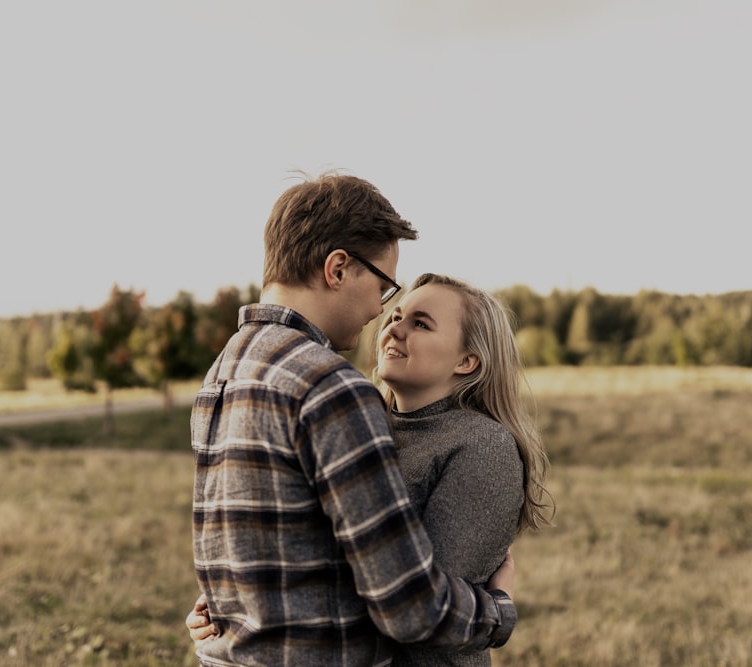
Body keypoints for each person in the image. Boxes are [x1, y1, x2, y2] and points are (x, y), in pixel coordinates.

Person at [188, 172, 517, 667]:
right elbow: (407, 605)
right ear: (338, 268)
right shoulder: (331, 387)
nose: (380, 314)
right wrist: (497, 611)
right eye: (384, 288)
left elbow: (258, 547)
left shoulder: (224, 371)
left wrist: (226, 609)